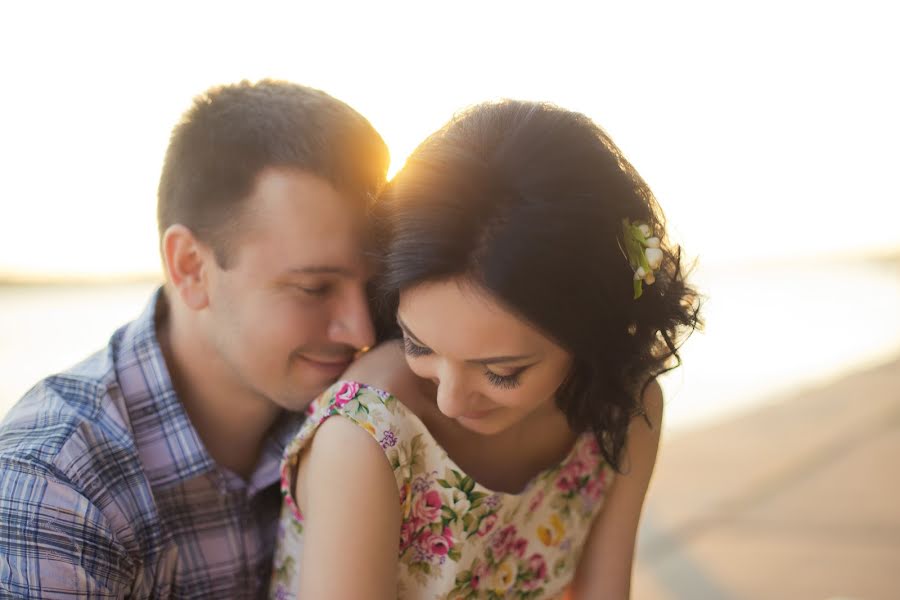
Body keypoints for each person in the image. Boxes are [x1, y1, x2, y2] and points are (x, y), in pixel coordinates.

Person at [269, 100, 701, 599]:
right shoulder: (366, 439)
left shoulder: (624, 409)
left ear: (590, 332)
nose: (451, 400)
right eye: (418, 344)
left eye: (501, 371)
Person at [0, 80, 389, 598]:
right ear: (190, 267)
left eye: (375, 285)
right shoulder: (55, 484)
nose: (360, 330)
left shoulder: (365, 410)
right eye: (313, 288)